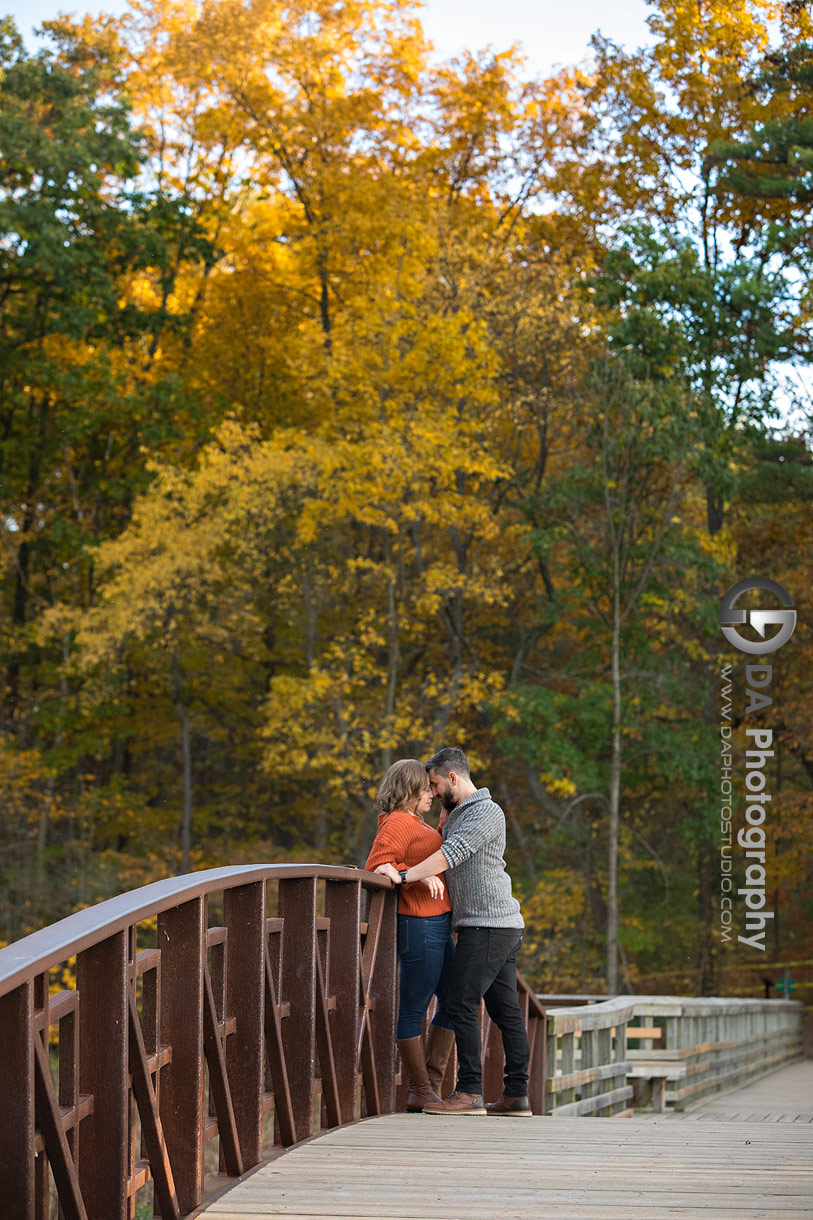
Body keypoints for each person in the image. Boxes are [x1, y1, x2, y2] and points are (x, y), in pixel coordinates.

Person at [374, 746, 531, 1116]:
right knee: (504, 1009)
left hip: (489, 924)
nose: (433, 792)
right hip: (482, 924)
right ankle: (515, 1095)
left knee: (460, 1001)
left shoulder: (487, 812)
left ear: (453, 778)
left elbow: (453, 852)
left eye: (435, 785)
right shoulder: (456, 813)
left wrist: (405, 876)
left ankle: (469, 1092)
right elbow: (416, 845)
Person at [365, 758, 457, 1112]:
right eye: (426, 788)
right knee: (414, 1008)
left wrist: (440, 827)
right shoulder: (399, 823)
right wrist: (416, 874)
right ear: (410, 789)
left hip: (437, 923)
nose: (432, 793)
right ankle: (421, 1089)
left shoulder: (411, 821)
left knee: (455, 1000)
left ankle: (429, 1087)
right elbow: (377, 865)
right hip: (419, 925)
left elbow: (414, 851)